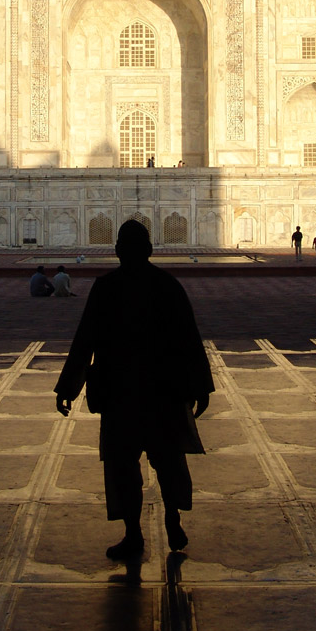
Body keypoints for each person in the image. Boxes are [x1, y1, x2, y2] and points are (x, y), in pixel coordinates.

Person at [54, 219, 213, 559]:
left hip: (121, 393)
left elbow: (85, 340)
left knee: (123, 466)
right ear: (150, 250)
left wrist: (68, 386)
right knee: (168, 461)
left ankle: (134, 534)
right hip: (163, 392)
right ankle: (171, 519)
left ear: (117, 252)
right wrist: (201, 385)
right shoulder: (166, 286)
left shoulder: (108, 287)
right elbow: (190, 339)